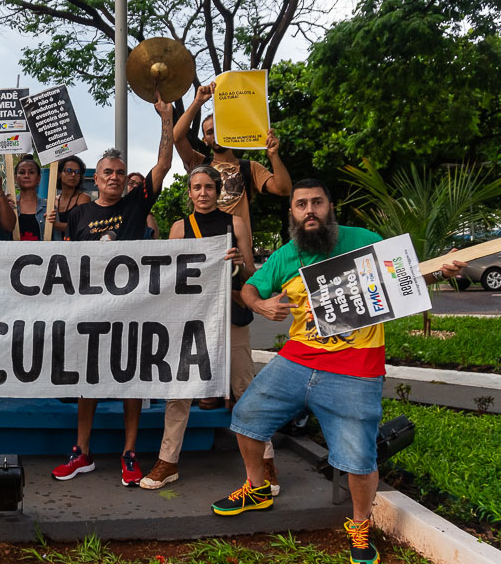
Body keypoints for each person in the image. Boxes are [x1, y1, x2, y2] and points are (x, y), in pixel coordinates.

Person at [217, 178, 467, 564]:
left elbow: (407, 276)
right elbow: (251, 287)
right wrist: (261, 306)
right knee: (246, 416)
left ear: (329, 207)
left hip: (356, 368)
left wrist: (441, 271)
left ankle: (360, 524)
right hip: (298, 359)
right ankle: (256, 487)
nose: (310, 210)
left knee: (358, 456)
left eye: (317, 202)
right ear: (293, 213)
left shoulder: (364, 239)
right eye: (301, 204)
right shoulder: (286, 254)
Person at [52, 93, 174, 487]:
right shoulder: (80, 215)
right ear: (97, 177)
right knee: (89, 382)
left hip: (131, 310)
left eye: (121, 172)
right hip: (89, 311)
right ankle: (81, 452)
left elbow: (165, 164)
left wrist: (166, 119)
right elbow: (70, 262)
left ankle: (129, 452)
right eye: (108, 172)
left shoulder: (137, 204)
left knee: (130, 382)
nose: (115, 177)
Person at [140, 165, 258, 491]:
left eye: (209, 187)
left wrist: (239, 265)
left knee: (244, 386)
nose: (203, 193)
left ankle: (265, 462)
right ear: (189, 192)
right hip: (192, 318)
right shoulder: (179, 227)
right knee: (180, 390)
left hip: (230, 313)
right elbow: (167, 276)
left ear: (218, 190)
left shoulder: (236, 223)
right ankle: (168, 460)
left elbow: (251, 272)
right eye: (197, 187)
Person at [175, 82, 288, 410]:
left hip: (238, 259)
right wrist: (196, 101)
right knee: (202, 331)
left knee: (237, 334)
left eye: (219, 128)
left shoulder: (248, 168)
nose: (213, 134)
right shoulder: (199, 163)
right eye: (209, 131)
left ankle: (238, 401)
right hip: (202, 262)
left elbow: (282, 187)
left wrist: (273, 155)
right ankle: (211, 389)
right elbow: (178, 137)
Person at [13, 155, 57, 241]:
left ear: (39, 178)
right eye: (22, 172)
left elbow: (57, 239)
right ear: (15, 178)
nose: (26, 176)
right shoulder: (9, 206)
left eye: (31, 172)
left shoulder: (49, 207)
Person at [47, 155, 91, 239]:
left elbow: (81, 226)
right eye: (69, 171)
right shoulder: (53, 200)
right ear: (59, 174)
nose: (73, 175)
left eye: (77, 172)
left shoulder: (83, 198)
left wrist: (53, 224)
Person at [127, 172, 160, 238]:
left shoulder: (145, 211)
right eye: (131, 183)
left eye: (139, 185)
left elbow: (154, 237)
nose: (135, 186)